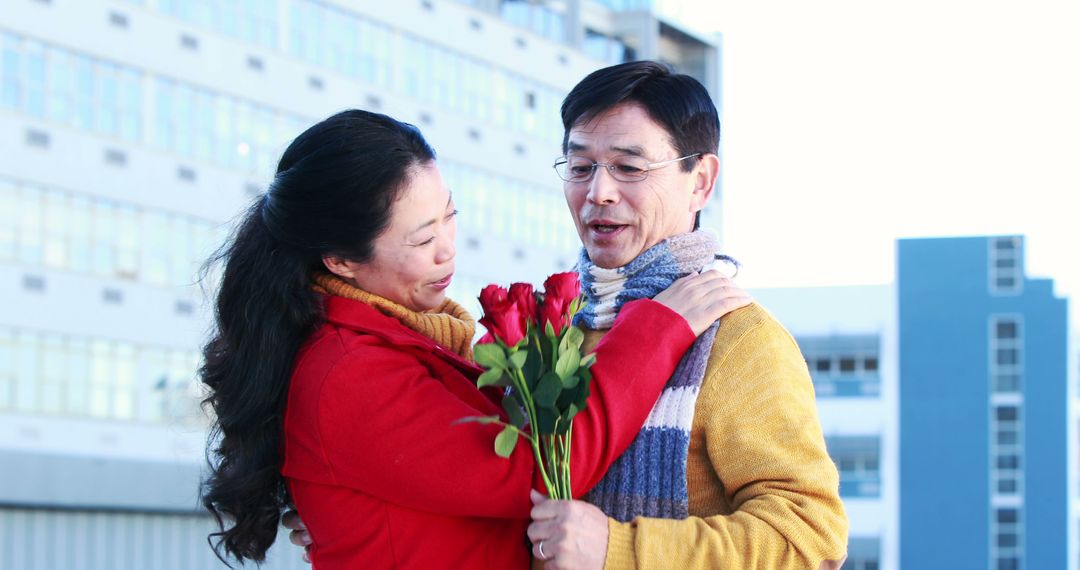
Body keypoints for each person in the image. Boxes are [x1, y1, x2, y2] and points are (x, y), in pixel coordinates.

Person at [199, 109, 752, 569]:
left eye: (449, 217)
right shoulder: (349, 370)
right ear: (341, 261)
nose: (447, 250)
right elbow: (539, 472)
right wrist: (658, 327)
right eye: (421, 239)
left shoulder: (405, 338)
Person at [521, 61, 849, 569]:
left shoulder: (738, 337)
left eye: (629, 168)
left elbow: (811, 541)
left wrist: (619, 549)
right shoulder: (550, 331)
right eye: (581, 167)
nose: (598, 193)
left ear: (700, 181)